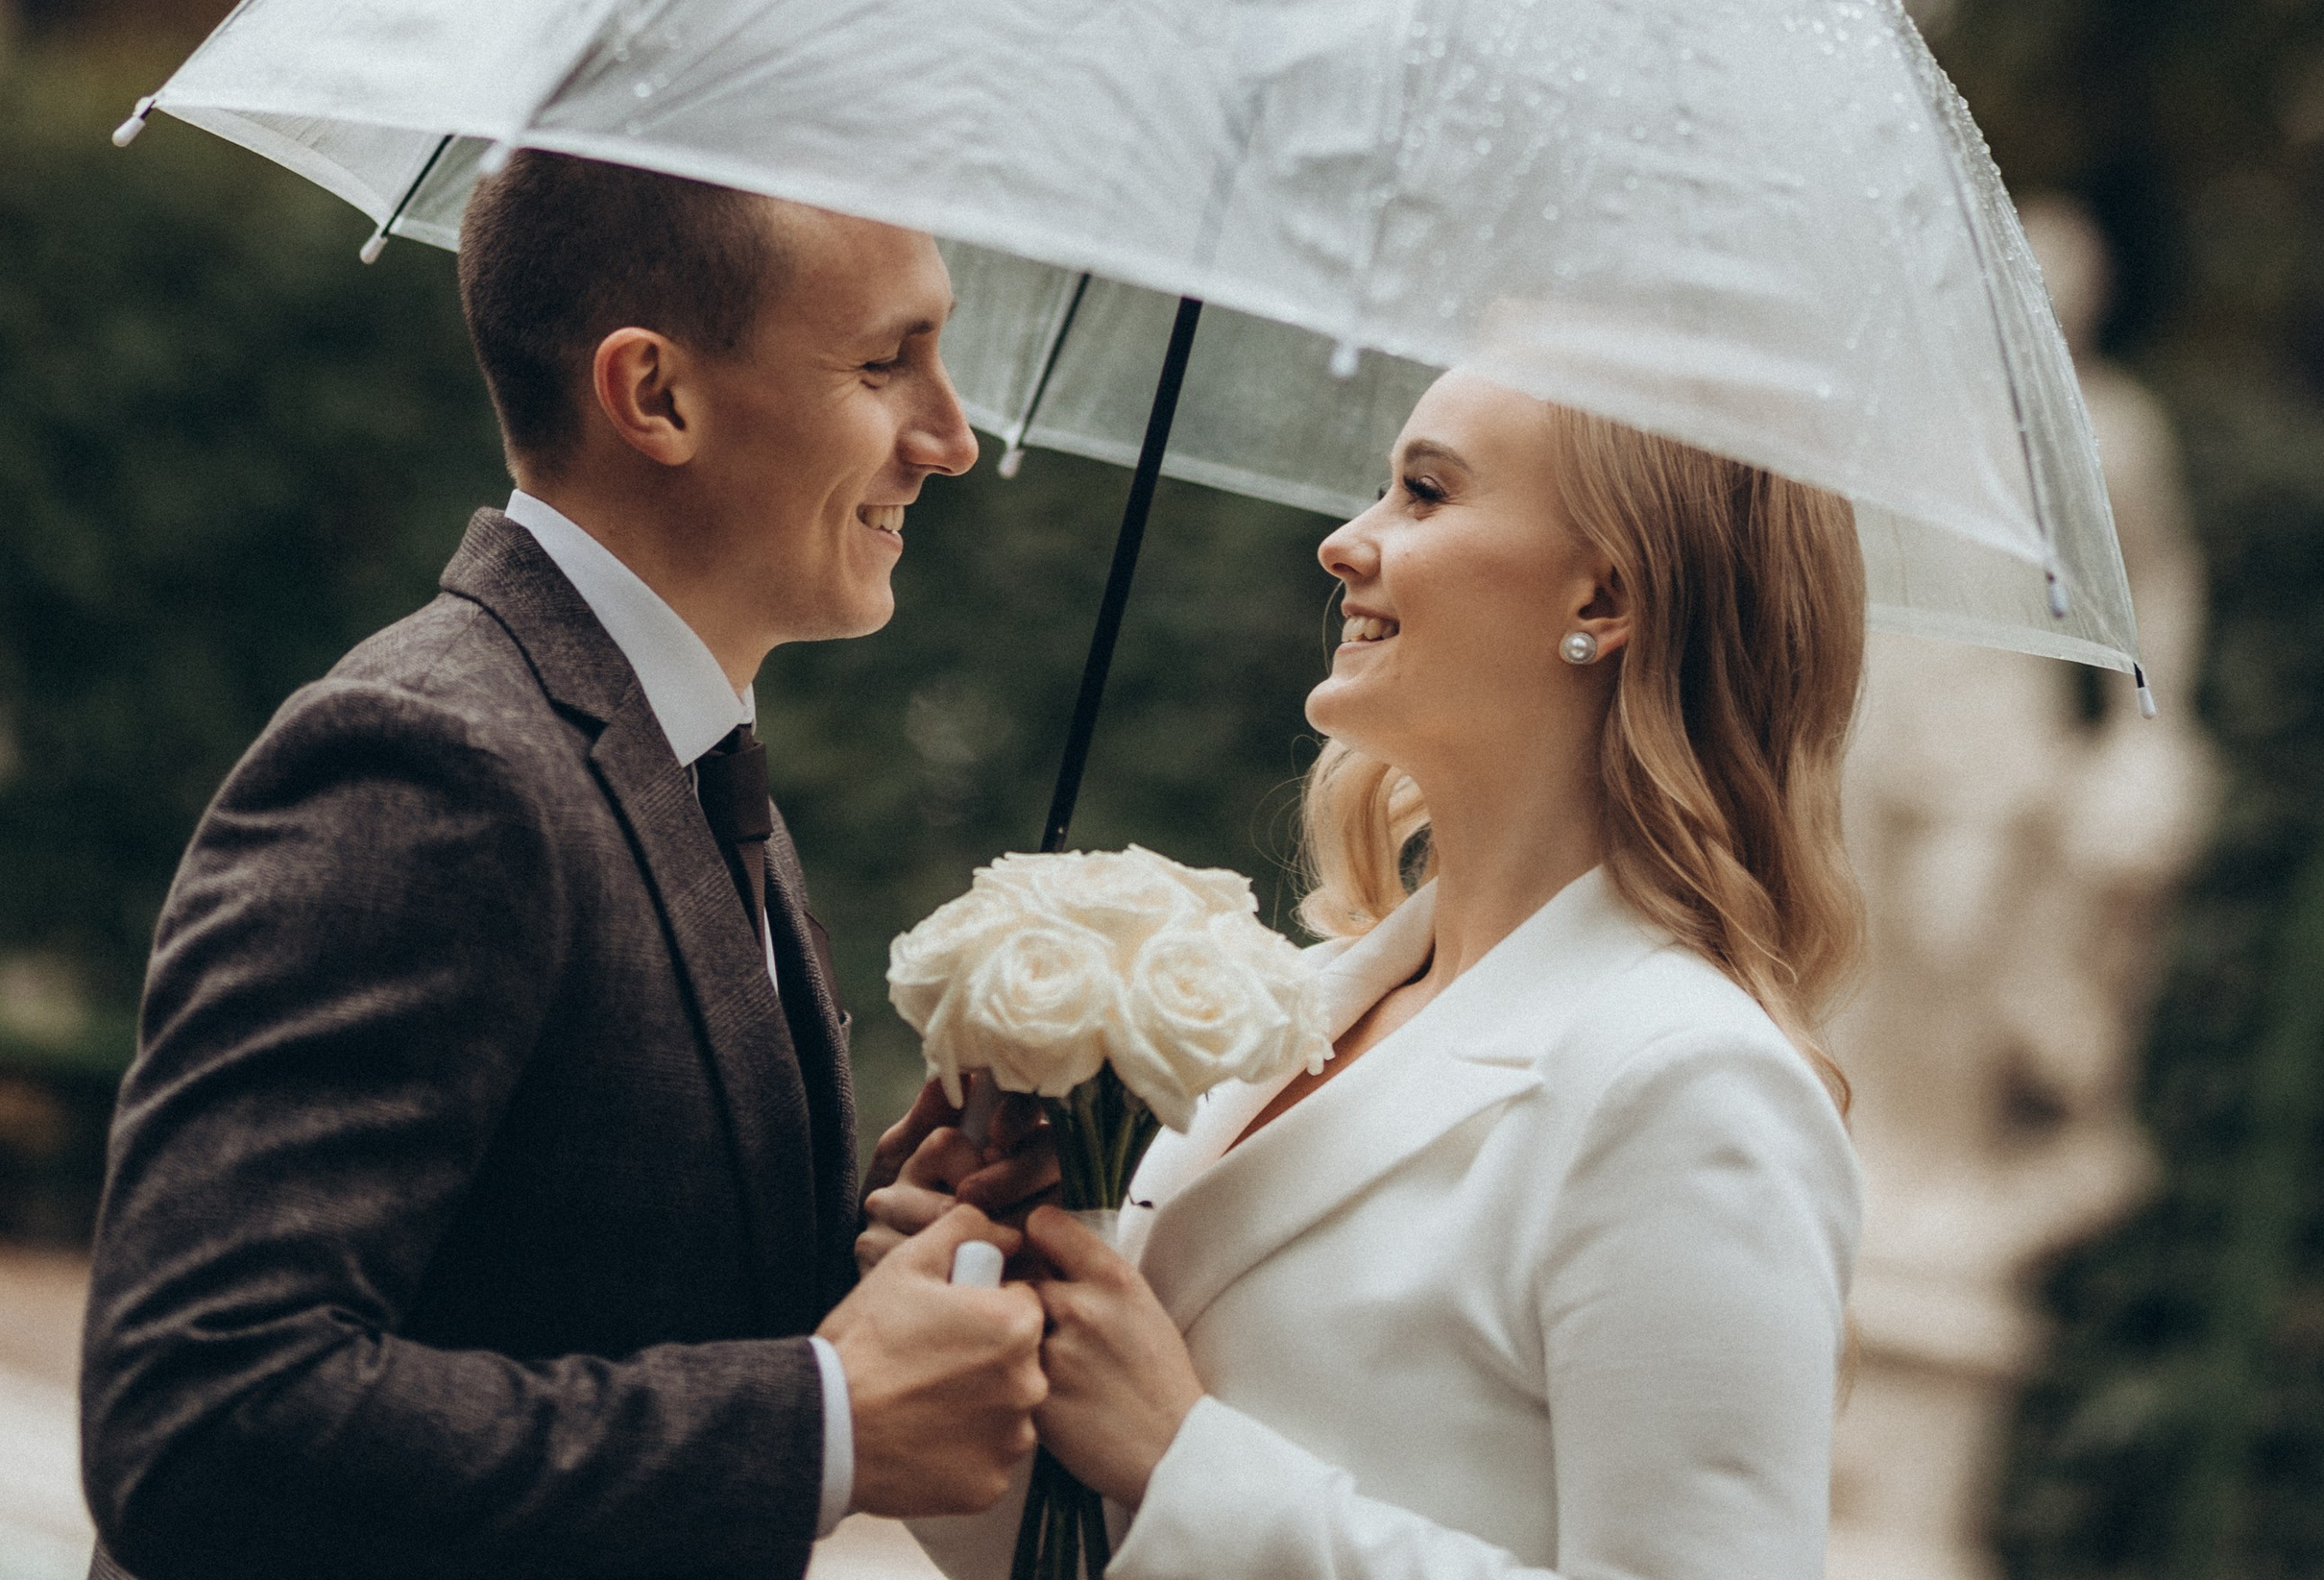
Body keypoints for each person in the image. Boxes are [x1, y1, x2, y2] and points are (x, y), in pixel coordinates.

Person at [79, 149, 1046, 1580]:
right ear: (655, 394)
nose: (951, 435)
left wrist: (863, 1242)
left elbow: (570, 1272)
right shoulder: (432, 763)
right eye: (885, 364)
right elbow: (203, 1412)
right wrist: (824, 1422)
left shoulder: (692, 759)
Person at [880, 371, 1867, 1580]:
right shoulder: (1321, 1001)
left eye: (1424, 492)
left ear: (1603, 595)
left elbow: (1171, 1478)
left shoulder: (1683, 1082)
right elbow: (1097, 1545)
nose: (1345, 541)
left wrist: (1183, 1457)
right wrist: (984, 1311)